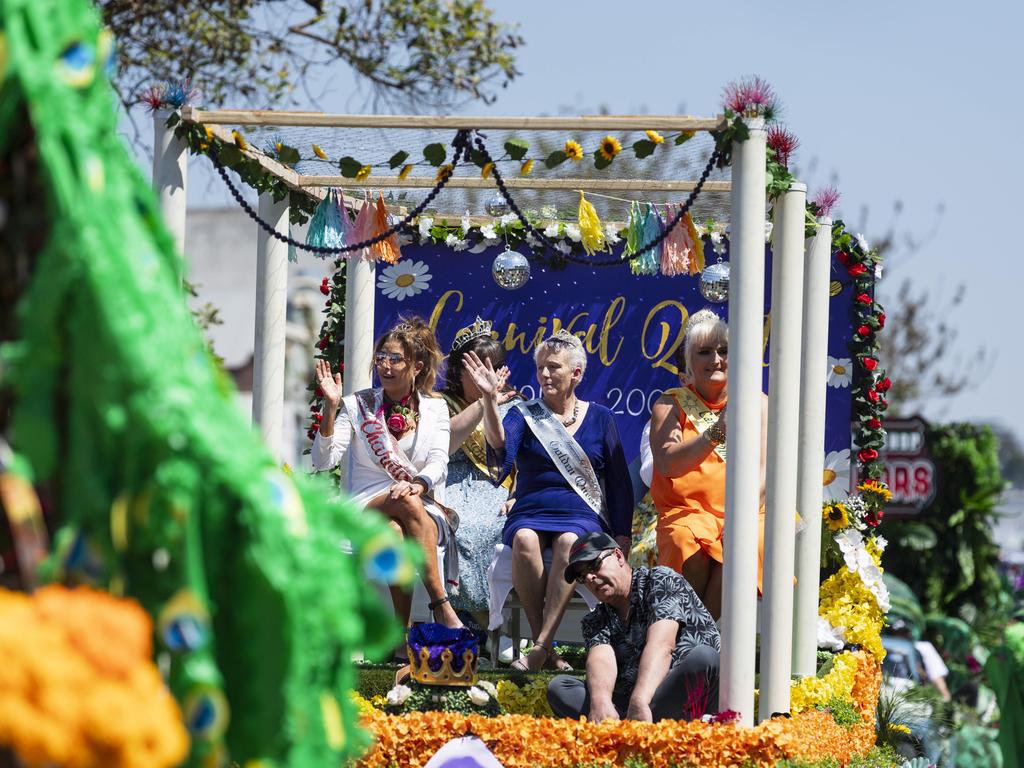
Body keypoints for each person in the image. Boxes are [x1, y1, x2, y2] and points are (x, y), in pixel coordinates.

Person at [466, 329, 634, 672]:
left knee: (570, 542)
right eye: (541, 366)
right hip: (531, 509)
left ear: (576, 374)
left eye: (553, 367)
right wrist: (487, 400)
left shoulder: (600, 417)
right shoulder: (524, 414)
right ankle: (546, 646)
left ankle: (540, 647)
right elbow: (500, 446)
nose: (544, 374)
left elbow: (618, 483)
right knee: (525, 540)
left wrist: (622, 535)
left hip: (580, 514)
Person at [311, 315, 462, 630]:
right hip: (366, 502)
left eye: (396, 359)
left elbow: (438, 460)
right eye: (381, 358)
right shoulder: (357, 406)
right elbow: (324, 460)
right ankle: (442, 606)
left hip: (418, 500)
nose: (386, 366)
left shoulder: (435, 409)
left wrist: (419, 484)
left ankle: (399, 637)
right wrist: (330, 406)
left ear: (416, 367)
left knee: (396, 531)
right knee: (404, 504)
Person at [648, 309, 766, 619]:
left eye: (724, 351)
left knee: (744, 542)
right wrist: (716, 433)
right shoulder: (669, 403)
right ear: (689, 364)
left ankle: (702, 641)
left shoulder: (759, 403)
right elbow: (668, 464)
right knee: (685, 539)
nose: (716, 359)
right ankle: (689, 636)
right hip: (687, 511)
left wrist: (740, 514)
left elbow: (767, 472)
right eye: (704, 352)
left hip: (748, 510)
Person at [546, 531, 720, 722]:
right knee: (560, 688)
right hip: (627, 706)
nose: (589, 578)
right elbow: (601, 659)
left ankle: (634, 727)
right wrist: (601, 702)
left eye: (594, 565)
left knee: (704, 657)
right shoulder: (596, 618)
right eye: (581, 576)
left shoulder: (661, 580)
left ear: (619, 556)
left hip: (675, 695)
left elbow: (662, 645)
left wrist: (639, 701)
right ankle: (628, 727)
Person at [440, 317, 517, 631]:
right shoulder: (440, 404)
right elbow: (446, 442)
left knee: (497, 526)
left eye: (492, 368)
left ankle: (495, 622)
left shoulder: (517, 405)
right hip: (453, 486)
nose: (485, 376)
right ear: (459, 372)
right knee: (465, 528)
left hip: (499, 488)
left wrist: (518, 495)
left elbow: (523, 458)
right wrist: (487, 401)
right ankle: (480, 625)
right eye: (476, 370)